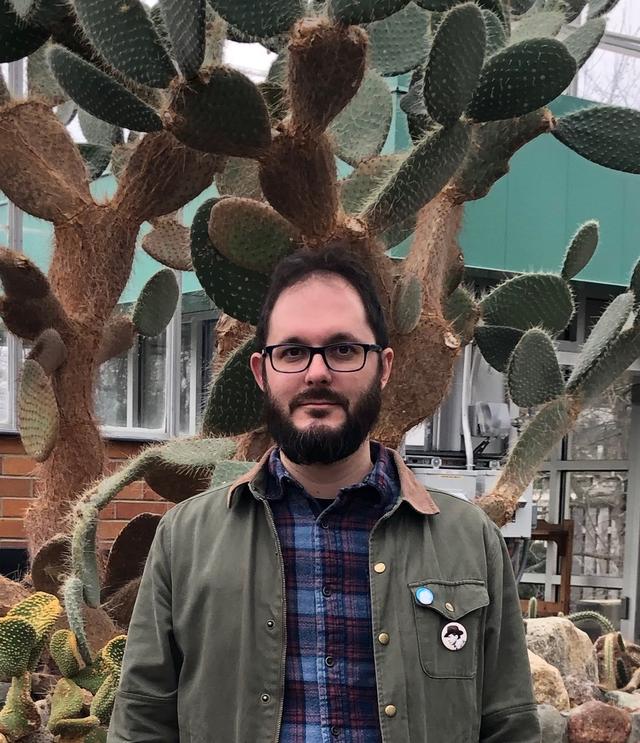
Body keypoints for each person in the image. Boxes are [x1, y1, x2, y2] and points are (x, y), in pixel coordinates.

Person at [107, 246, 540, 742]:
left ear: (383, 367)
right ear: (261, 372)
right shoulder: (184, 541)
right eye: (291, 352)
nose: (316, 373)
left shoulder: (471, 541)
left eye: (343, 349)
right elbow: (141, 725)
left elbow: (510, 725)